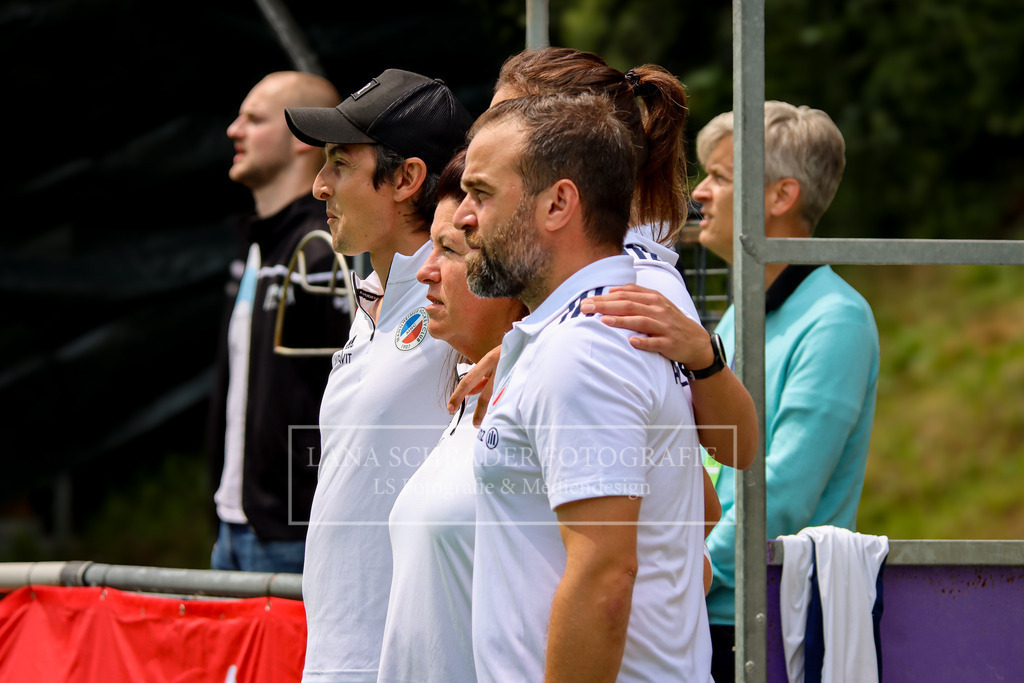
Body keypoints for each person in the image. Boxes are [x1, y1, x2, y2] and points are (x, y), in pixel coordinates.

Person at [584, 100, 881, 682]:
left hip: (766, 621)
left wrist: (679, 570)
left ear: (782, 196)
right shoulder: (744, 312)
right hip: (705, 604)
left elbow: (781, 493)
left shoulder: (837, 319)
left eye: (720, 177)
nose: (699, 194)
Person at [457, 92, 712, 681]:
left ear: (558, 204)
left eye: (482, 193)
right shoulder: (581, 333)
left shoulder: (583, 350)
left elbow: (604, 578)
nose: (465, 216)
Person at [452, 47, 757, 473]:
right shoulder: (563, 278)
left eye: (509, 117)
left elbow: (725, 456)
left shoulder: (634, 288)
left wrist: (705, 359)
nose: (485, 135)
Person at [282, 68, 473, 682]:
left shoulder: (466, 296)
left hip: (408, 661)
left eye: (340, 163)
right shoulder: (374, 293)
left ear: (407, 180)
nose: (319, 185)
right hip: (338, 653)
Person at [377, 150, 527, 683]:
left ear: (514, 272)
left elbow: (678, 546)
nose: (426, 271)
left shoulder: (546, 390)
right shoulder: (470, 394)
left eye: (450, 250)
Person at [207, 71, 349, 574]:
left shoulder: (327, 248)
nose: (234, 130)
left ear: (301, 137)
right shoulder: (256, 246)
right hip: (232, 526)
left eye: (254, 119)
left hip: (296, 535)